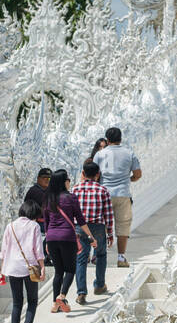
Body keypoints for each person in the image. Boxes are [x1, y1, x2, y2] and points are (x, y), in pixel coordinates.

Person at [41, 169, 94, 313]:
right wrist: (91, 237)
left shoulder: (48, 199)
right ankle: (62, 296)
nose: (69, 182)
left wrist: (47, 240)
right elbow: (81, 220)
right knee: (70, 270)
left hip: (51, 238)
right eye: (68, 179)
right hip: (67, 237)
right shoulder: (70, 198)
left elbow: (46, 222)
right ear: (64, 182)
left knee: (58, 272)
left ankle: (54, 304)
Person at [0, 200, 45, 323]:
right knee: (32, 300)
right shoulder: (34, 226)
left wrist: (2, 271)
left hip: (12, 267)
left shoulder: (10, 226)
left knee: (17, 303)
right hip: (29, 267)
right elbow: (38, 249)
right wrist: (42, 266)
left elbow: (4, 251)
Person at [93, 126, 141, 268]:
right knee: (123, 226)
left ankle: (98, 255)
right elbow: (138, 174)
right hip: (122, 193)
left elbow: (94, 175)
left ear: (107, 140)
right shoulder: (129, 153)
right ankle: (121, 257)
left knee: (100, 225)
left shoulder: (100, 154)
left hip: (104, 194)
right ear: (121, 139)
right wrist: (128, 179)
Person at [73, 161, 114, 304]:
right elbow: (108, 214)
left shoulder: (75, 189)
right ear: (98, 175)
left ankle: (81, 292)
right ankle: (99, 285)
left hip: (80, 227)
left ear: (83, 174)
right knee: (101, 254)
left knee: (81, 259)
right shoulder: (102, 190)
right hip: (97, 227)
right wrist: (109, 233)